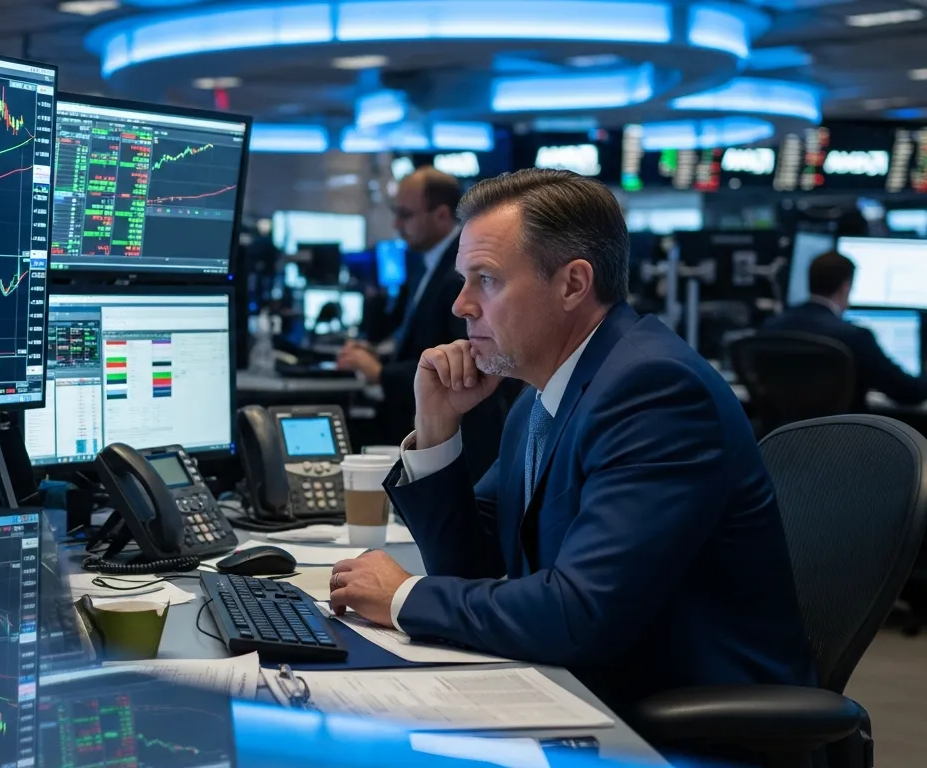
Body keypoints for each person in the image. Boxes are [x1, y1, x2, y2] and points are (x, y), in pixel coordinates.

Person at [327, 169, 815, 713]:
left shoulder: (654, 391)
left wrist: (402, 596)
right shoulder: (543, 396)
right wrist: (437, 429)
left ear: (573, 284)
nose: (461, 305)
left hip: (681, 721)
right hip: (580, 685)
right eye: (464, 280)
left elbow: (582, 614)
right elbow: (471, 568)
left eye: (486, 279)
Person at [336, 166, 514, 473]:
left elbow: (468, 358)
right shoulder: (424, 262)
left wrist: (380, 373)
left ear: (442, 215)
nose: (396, 224)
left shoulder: (462, 268)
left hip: (464, 443)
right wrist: (376, 354)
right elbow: (417, 337)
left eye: (405, 215)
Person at [762, 250, 927, 409]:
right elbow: (909, 392)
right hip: (843, 428)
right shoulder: (855, 337)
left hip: (782, 428)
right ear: (845, 287)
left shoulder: (771, 328)